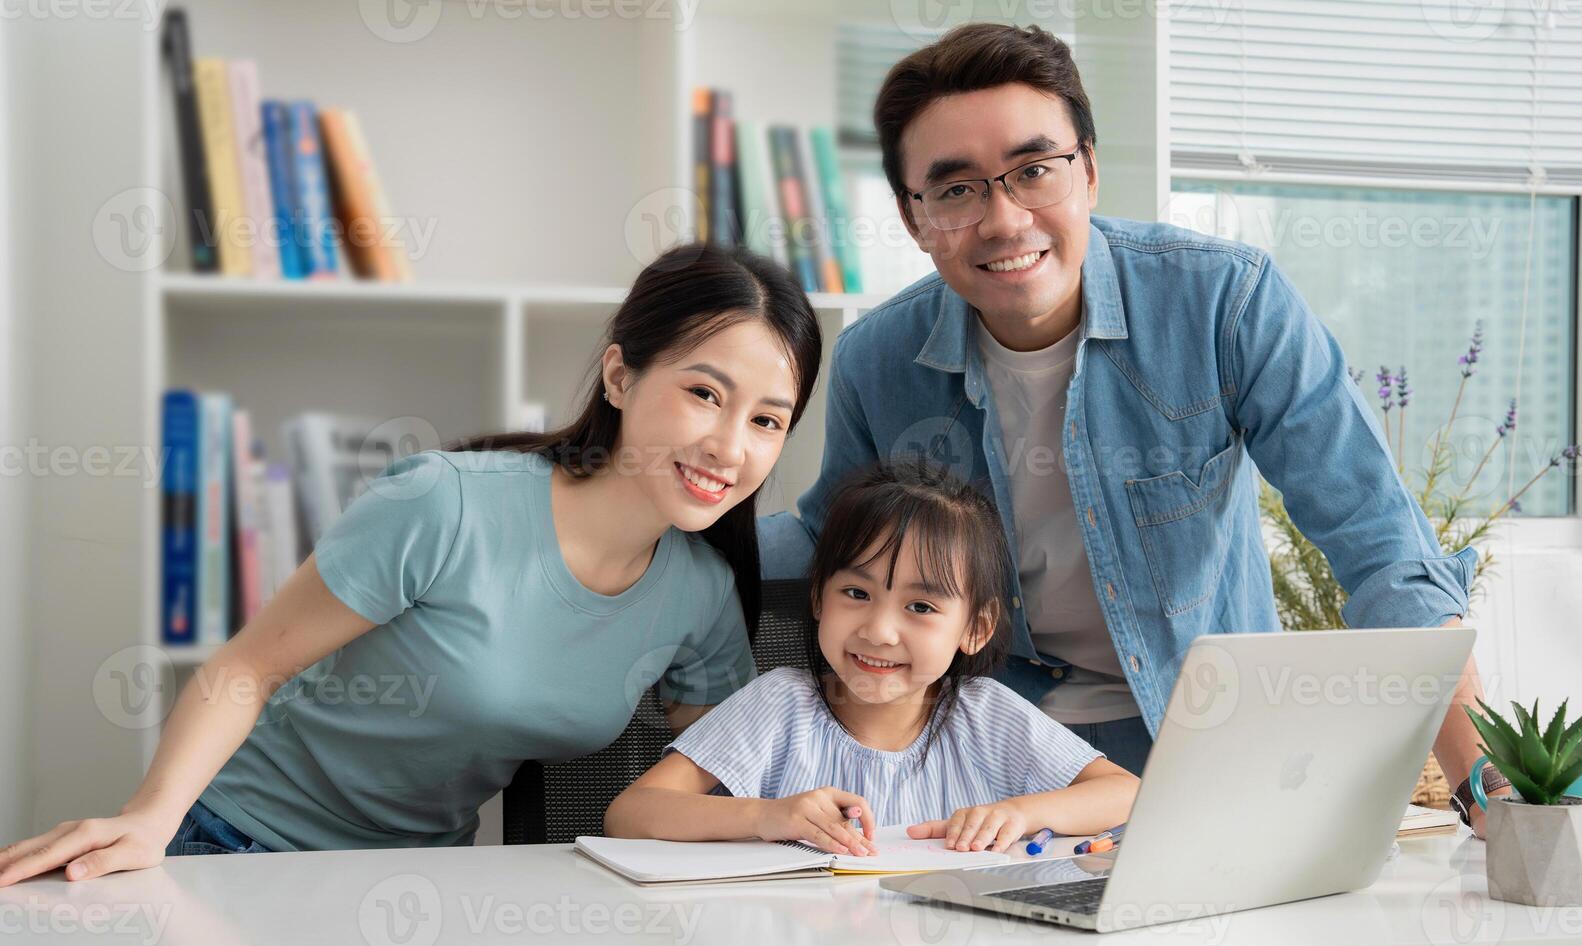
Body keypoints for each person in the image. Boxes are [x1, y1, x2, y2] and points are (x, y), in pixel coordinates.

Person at [757, 23, 1504, 834]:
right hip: (996, 773)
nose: (1004, 221)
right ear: (914, 219)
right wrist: (637, 529)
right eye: (956, 189)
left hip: (1208, 752)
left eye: (1034, 171)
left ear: (1088, 170)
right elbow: (829, 543)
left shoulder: (1224, 302)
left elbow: (1379, 543)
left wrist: (1484, 787)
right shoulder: (879, 360)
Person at [0, 244, 822, 885]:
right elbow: (249, 668)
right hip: (237, 844)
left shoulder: (700, 592)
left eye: (766, 420)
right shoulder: (445, 503)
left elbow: (728, 766)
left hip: (422, 877)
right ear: (619, 374)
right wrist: (149, 820)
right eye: (704, 394)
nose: (729, 446)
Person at [606, 461, 1139, 855]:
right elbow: (630, 815)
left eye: (921, 606)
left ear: (976, 628)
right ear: (819, 596)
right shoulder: (778, 704)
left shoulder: (985, 713)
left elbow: (1127, 793)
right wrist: (766, 815)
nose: (880, 631)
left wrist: (1020, 813)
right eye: (857, 594)